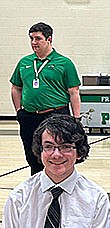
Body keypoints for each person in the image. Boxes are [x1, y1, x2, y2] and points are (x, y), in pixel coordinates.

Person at [10, 22, 81, 175]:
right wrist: (19, 111)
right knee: (32, 155)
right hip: (29, 116)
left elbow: (74, 92)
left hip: (55, 115)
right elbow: (16, 88)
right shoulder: (25, 62)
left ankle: (60, 183)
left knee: (58, 153)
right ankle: (37, 184)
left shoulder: (64, 63)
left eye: (38, 38)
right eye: (31, 39)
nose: (34, 43)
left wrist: (76, 118)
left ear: (49, 39)